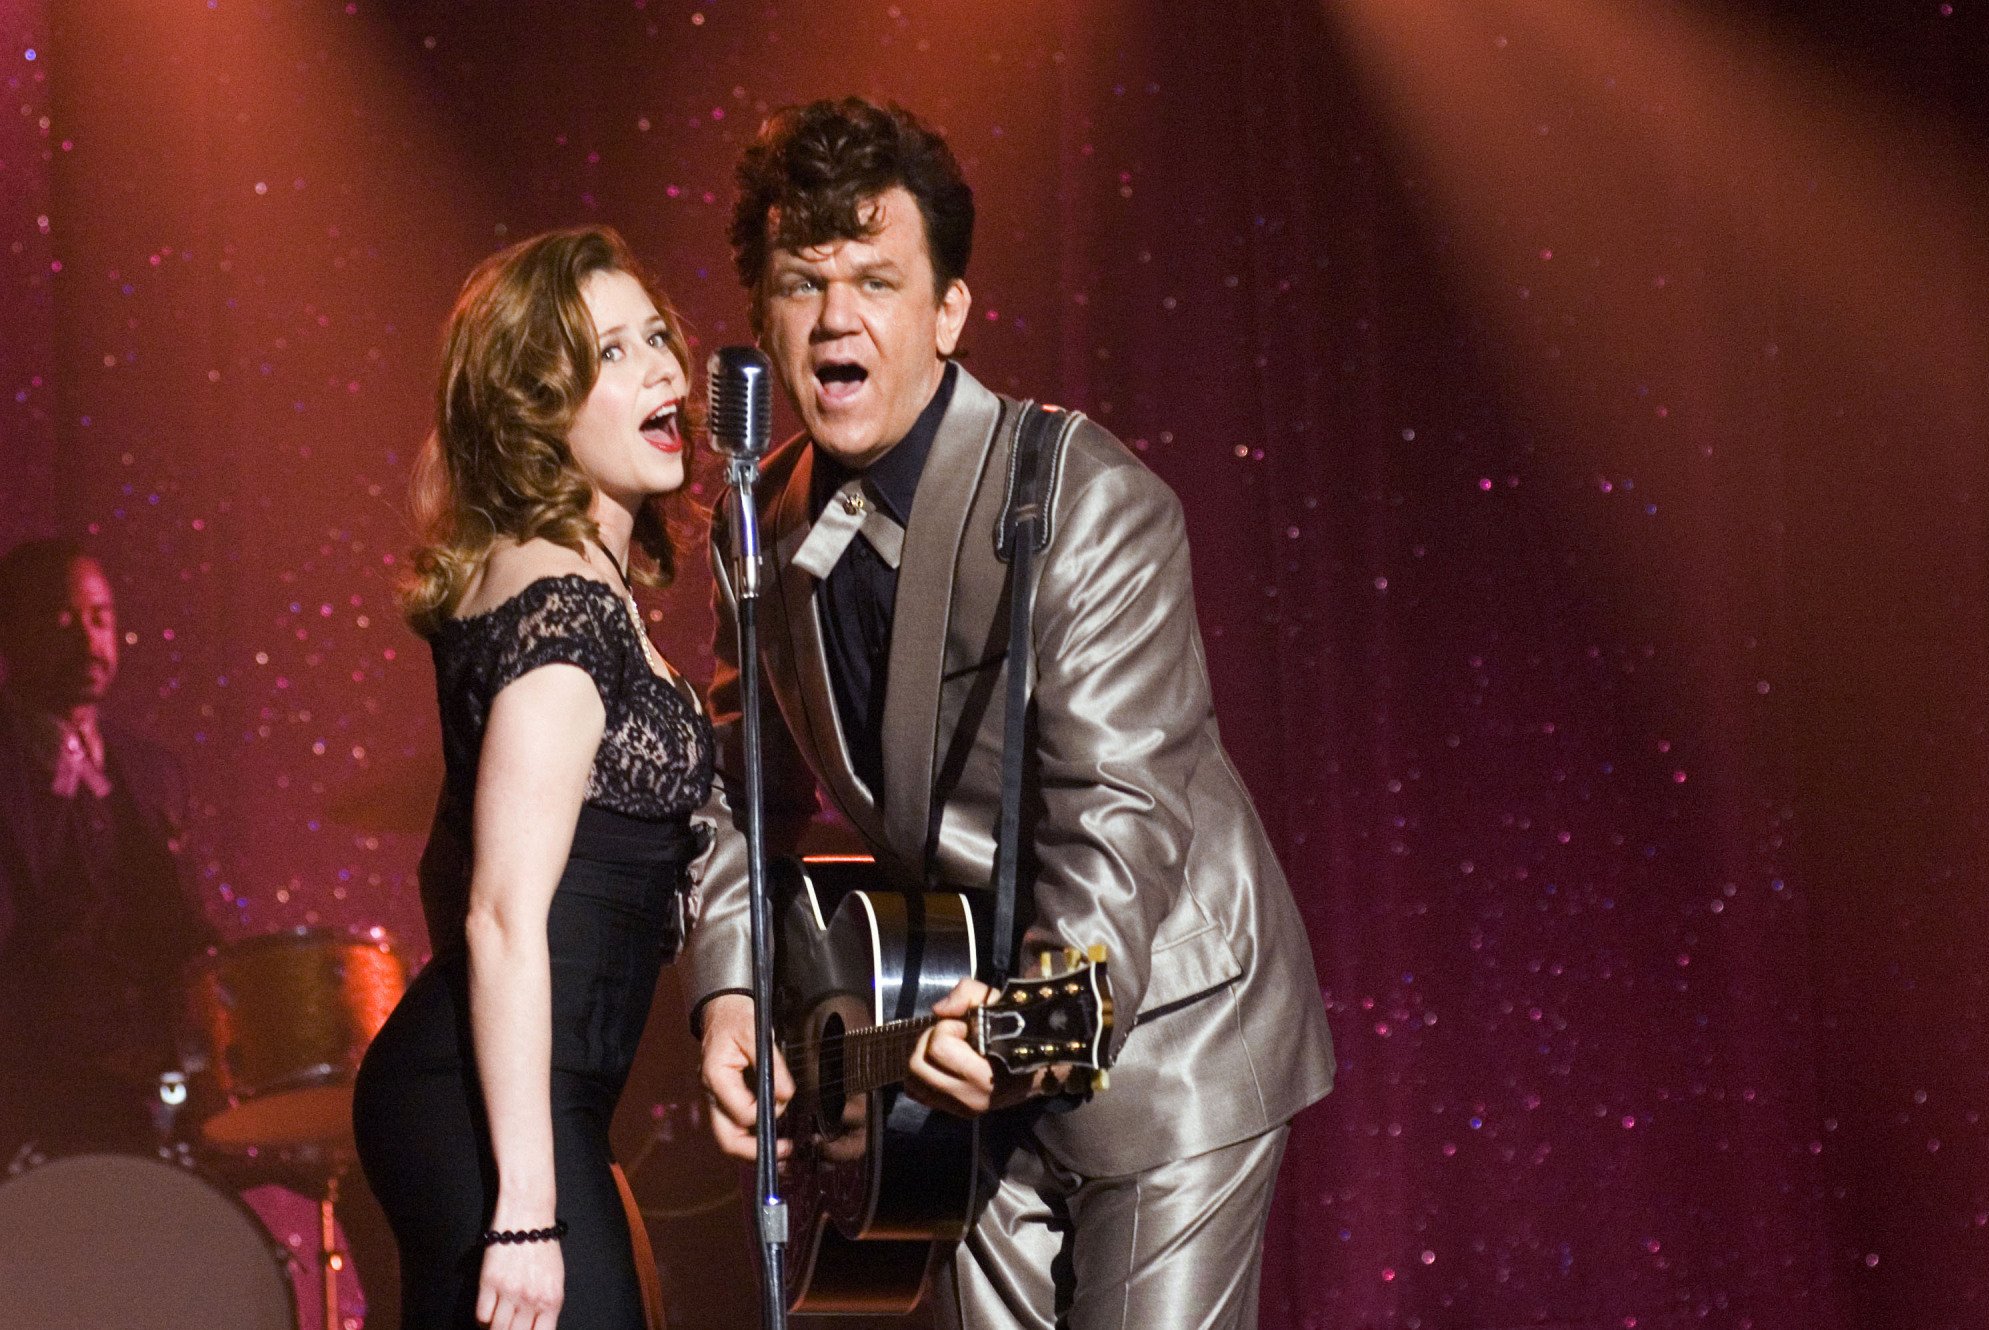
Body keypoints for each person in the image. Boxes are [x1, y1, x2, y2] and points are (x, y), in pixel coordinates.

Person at [683, 98, 1337, 1328]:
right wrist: (730, 995)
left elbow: (1118, 810)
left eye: (875, 280)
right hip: (945, 1053)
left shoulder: (1081, 500)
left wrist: (1036, 1009)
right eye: (800, 282)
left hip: (1156, 1021)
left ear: (949, 313)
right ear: (762, 316)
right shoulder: (752, 529)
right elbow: (737, 791)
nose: (836, 317)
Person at [352, 225, 720, 1329]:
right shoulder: (567, 604)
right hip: (494, 1114)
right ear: (534, 405)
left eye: (658, 336)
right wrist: (523, 1212)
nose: (663, 367)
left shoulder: (573, 583)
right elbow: (501, 915)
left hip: (515, 1102)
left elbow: (447, 857)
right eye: (610, 353)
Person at [0, 538, 216, 1154]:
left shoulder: (152, 771)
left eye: (100, 618)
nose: (86, 639)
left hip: (153, 1071)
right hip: (33, 1085)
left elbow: (183, 928)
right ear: (10, 633)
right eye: (60, 619)